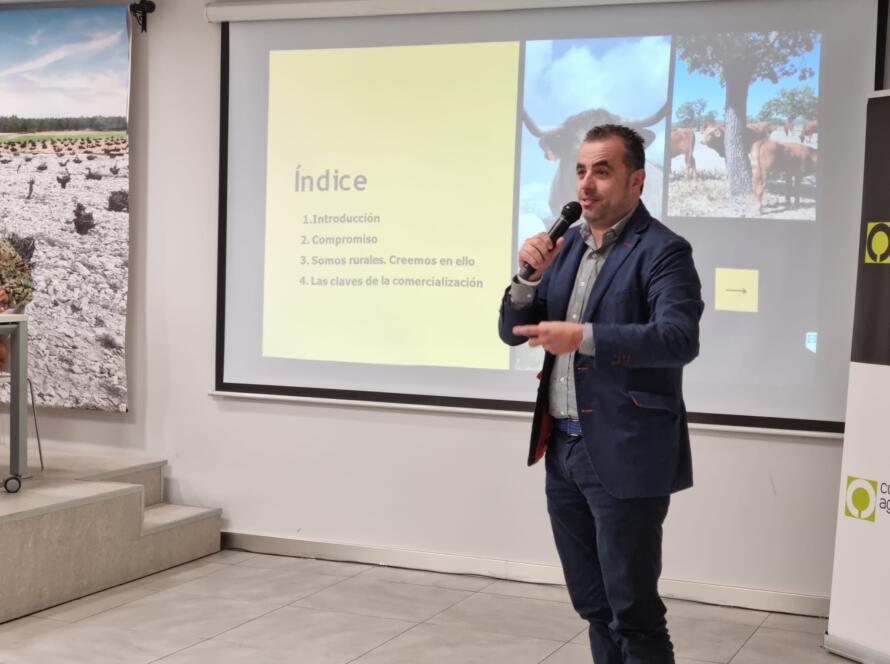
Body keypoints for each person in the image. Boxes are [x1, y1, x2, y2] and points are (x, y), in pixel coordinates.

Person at [499, 124, 703, 664]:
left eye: (602, 171)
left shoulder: (664, 251)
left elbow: (678, 338)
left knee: (632, 611)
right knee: (593, 605)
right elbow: (510, 330)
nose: (586, 185)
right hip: (562, 450)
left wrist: (583, 338)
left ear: (637, 180)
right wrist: (527, 282)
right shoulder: (564, 248)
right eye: (581, 171)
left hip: (625, 450)